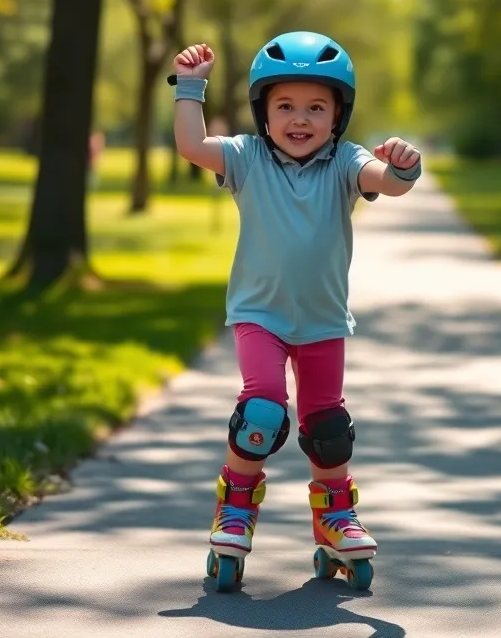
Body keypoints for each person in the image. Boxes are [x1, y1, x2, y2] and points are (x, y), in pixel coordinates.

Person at [171, 31, 423, 589]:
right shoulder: (246, 158)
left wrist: (403, 167)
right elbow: (193, 146)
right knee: (262, 412)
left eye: (316, 107)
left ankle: (334, 519)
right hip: (259, 316)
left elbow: (386, 182)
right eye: (285, 106)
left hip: (323, 322)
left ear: (339, 114)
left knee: (328, 427)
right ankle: (234, 511)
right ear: (264, 111)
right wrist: (190, 87)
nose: (300, 118)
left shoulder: (345, 163)